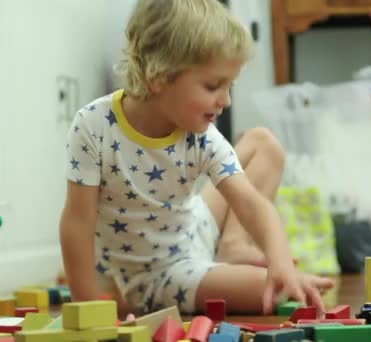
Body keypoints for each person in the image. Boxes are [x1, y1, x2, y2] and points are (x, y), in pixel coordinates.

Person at [59, 0, 333, 317]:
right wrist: (88, 304)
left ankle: (233, 248)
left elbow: (252, 204)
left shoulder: (202, 136)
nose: (225, 100)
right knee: (270, 291)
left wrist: (280, 260)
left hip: (193, 226)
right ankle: (220, 269)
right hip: (161, 274)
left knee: (263, 143)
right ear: (158, 75)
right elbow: (77, 222)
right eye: (213, 85)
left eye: (229, 86)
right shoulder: (93, 126)